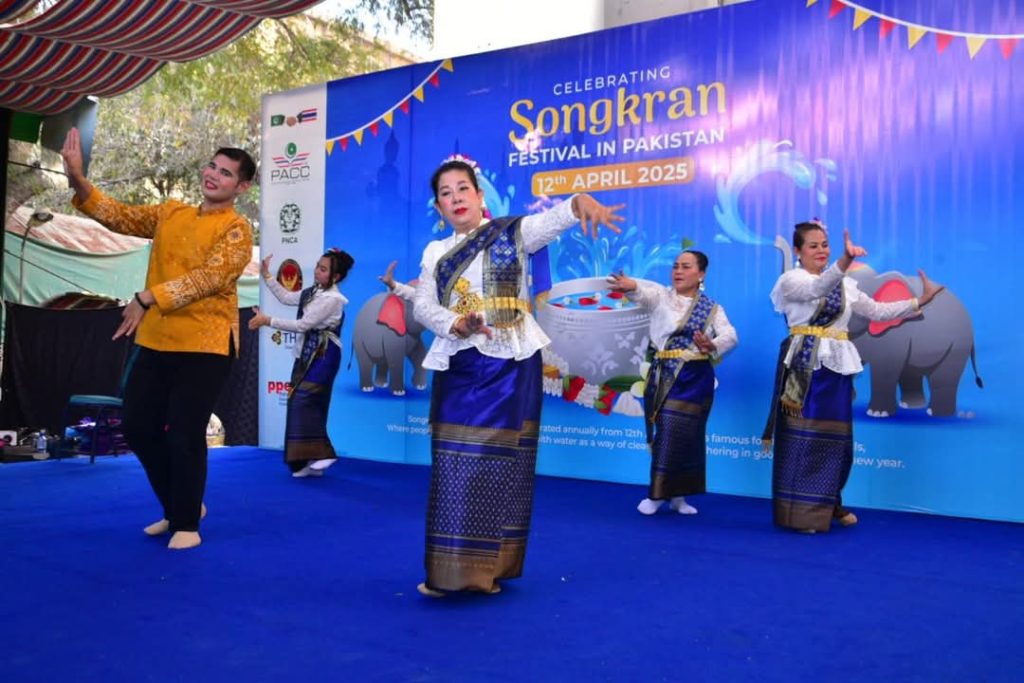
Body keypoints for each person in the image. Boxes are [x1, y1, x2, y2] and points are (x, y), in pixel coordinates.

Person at [413, 157, 625, 597]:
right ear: (438, 207)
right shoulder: (435, 252)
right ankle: (453, 571)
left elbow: (552, 222)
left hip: (511, 362)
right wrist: (456, 324)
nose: (455, 198)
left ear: (479, 195)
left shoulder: (513, 232)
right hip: (460, 361)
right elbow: (424, 305)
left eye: (462, 188)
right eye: (445, 193)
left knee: (505, 463)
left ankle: (492, 568)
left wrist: (579, 204)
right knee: (454, 462)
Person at [61, 127, 255, 550]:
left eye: (225, 173)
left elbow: (211, 278)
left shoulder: (237, 229)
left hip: (206, 344)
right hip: (157, 339)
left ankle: (185, 522)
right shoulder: (171, 212)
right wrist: (78, 179)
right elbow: (118, 215)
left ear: (241, 187)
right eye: (212, 166)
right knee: (137, 426)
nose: (213, 175)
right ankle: (180, 503)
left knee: (185, 432)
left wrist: (148, 297)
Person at [764, 221, 943, 533]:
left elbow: (876, 311)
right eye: (813, 246)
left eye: (825, 244)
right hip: (806, 370)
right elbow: (817, 289)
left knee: (838, 440)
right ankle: (802, 514)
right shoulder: (791, 280)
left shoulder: (845, 284)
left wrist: (919, 301)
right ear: (797, 250)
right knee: (805, 439)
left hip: (837, 370)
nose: (821, 250)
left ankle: (829, 502)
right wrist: (844, 261)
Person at [607, 250, 738, 516]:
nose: (678, 271)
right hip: (666, 376)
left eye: (686, 267)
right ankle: (657, 494)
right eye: (676, 266)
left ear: (701, 274)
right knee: (667, 432)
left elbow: (731, 335)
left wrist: (711, 345)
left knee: (689, 437)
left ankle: (679, 496)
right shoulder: (660, 296)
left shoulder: (712, 308)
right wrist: (631, 286)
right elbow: (641, 294)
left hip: (697, 378)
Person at [249, 249, 354, 478]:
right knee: (308, 403)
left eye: (323, 269)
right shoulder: (314, 292)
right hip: (308, 354)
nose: (317, 271)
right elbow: (286, 298)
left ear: (336, 276)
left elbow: (303, 325)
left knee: (302, 401)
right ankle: (305, 462)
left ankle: (324, 452)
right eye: (318, 266)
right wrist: (267, 275)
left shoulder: (332, 299)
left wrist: (267, 320)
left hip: (324, 355)